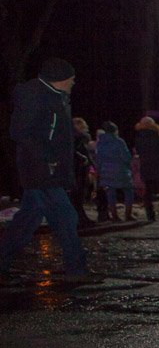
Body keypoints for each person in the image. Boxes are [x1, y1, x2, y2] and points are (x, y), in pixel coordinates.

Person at [0, 58, 93, 282]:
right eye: (71, 79)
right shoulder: (35, 96)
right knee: (67, 217)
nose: (73, 82)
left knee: (26, 222)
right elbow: (20, 132)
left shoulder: (55, 97)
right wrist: (47, 159)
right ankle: (76, 270)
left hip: (45, 171)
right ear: (60, 79)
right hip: (41, 171)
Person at [132, 116, 159, 221]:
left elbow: (138, 152)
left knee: (148, 194)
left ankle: (150, 215)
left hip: (147, 169)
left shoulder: (139, 139)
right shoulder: (158, 137)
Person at [96, 121, 135, 222]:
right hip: (120, 170)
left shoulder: (100, 142)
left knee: (110, 192)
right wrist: (129, 164)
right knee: (128, 190)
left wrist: (100, 170)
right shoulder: (119, 141)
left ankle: (114, 215)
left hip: (106, 170)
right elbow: (125, 156)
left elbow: (98, 158)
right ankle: (128, 214)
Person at [70, 117, 95, 226]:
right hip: (79, 168)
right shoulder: (79, 137)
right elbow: (77, 152)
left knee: (78, 194)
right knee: (78, 194)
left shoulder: (74, 137)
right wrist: (84, 159)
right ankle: (80, 218)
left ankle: (80, 217)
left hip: (78, 168)